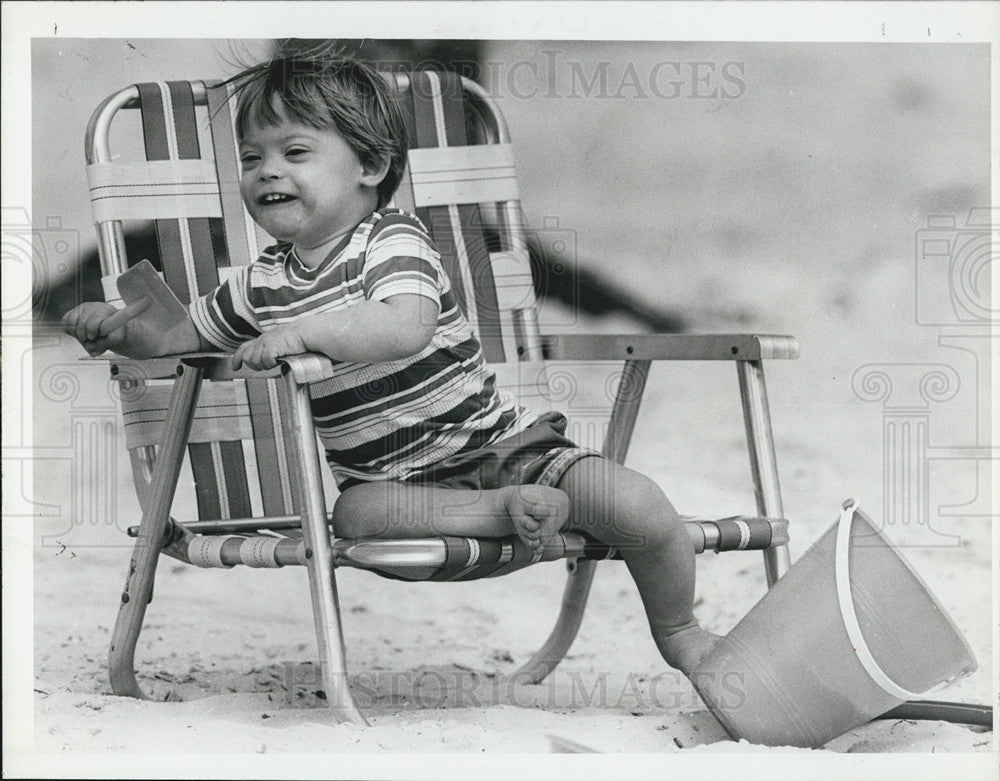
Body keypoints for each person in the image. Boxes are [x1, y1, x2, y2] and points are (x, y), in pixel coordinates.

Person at [61, 53, 719, 677]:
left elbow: (405, 324)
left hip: (505, 447)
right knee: (356, 516)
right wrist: (122, 332)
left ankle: (682, 632)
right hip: (400, 489)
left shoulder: (391, 238)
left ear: (370, 165)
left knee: (640, 505)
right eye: (251, 157)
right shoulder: (261, 282)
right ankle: (504, 512)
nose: (266, 171)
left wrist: (302, 331)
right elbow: (183, 333)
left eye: (295, 153)